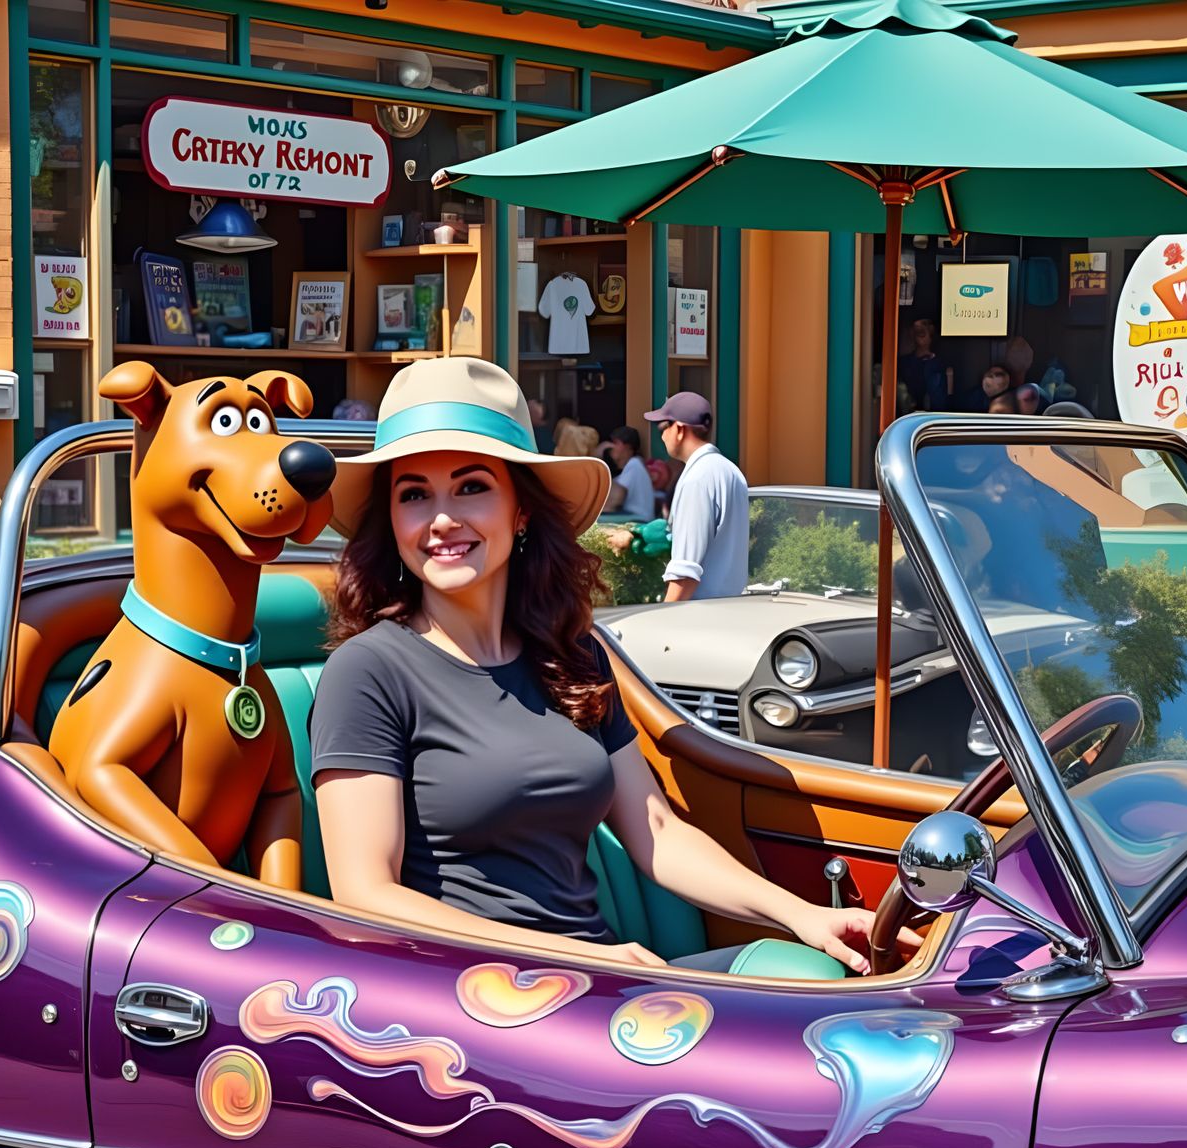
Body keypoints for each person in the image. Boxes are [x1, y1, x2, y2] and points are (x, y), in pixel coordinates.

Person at [311, 357, 880, 974]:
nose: (443, 518)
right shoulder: (368, 673)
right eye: (414, 495)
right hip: (469, 991)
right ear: (392, 521)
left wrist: (802, 914)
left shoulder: (572, 654)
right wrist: (583, 957)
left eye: (472, 487)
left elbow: (657, 832)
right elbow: (366, 894)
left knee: (811, 978)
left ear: (521, 511)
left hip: (599, 982)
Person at [644, 390, 749, 602]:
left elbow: (686, 572)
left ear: (679, 429)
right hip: (732, 607)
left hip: (700, 613)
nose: (662, 436)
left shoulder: (697, 478)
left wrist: (662, 616)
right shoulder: (730, 470)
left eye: (663, 427)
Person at [602, 424, 655, 520]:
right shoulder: (629, 467)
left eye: (615, 443)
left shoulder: (635, 464)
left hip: (641, 519)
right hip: (632, 516)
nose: (610, 447)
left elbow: (615, 498)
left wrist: (597, 457)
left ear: (627, 447)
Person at [899, 319, 950, 411]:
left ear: (932, 330)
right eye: (916, 327)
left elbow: (943, 402)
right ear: (911, 332)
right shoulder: (902, 364)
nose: (921, 330)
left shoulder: (941, 364)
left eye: (925, 324)